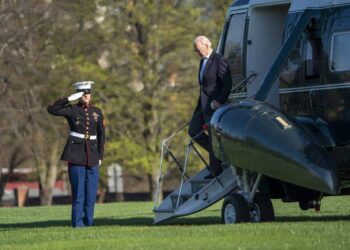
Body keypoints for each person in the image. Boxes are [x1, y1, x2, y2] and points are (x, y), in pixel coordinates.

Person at [47, 81, 105, 228]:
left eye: (88, 93)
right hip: (76, 155)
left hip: (92, 156)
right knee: (79, 193)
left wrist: (100, 156)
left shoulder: (97, 112)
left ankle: (89, 222)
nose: (86, 95)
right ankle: (78, 224)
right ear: (79, 95)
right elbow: (52, 109)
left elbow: (101, 135)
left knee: (91, 195)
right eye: (83, 93)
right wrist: (68, 99)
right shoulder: (72, 110)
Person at [189, 36, 232, 179]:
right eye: (195, 51)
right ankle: (220, 153)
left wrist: (219, 101)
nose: (197, 53)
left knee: (213, 136)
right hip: (202, 104)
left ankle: (216, 169)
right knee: (193, 130)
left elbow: (227, 83)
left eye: (198, 50)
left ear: (207, 44)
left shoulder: (219, 60)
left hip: (213, 105)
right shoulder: (202, 62)